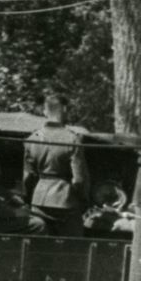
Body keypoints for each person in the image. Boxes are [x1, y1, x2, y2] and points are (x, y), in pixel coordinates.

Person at [23, 93, 89, 237]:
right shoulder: (73, 139)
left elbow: (27, 176)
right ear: (65, 110)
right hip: (65, 201)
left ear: (45, 112)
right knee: (73, 247)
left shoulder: (32, 139)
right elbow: (79, 180)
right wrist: (83, 200)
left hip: (38, 200)